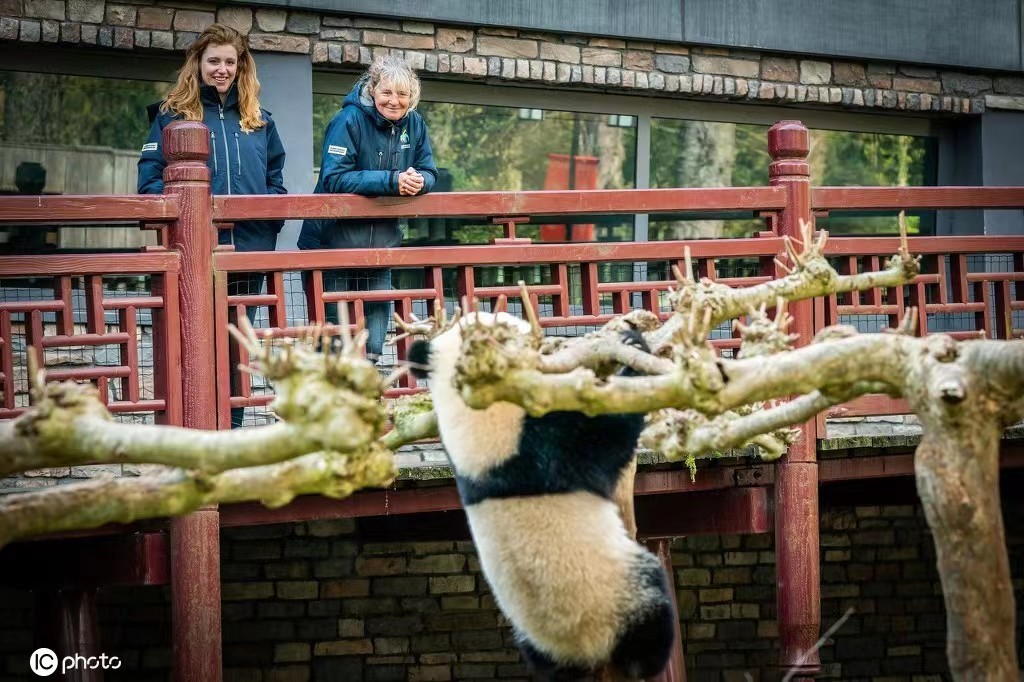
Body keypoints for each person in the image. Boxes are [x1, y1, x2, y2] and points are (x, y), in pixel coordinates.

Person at [138, 23, 287, 428]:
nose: (221, 69)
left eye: (229, 62)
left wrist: (268, 217)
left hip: (247, 253)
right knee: (195, 341)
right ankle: (194, 430)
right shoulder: (172, 116)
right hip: (194, 252)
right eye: (213, 61)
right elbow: (149, 181)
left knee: (237, 343)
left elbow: (276, 181)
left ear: (241, 67)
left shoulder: (260, 121)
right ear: (198, 64)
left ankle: (233, 426)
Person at [298, 54, 437, 366]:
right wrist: (391, 181)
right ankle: (330, 409)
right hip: (332, 245)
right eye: (387, 92)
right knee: (336, 343)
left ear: (412, 96)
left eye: (402, 94)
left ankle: (363, 404)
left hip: (381, 245)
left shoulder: (415, 125)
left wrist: (419, 180)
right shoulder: (348, 120)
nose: (394, 101)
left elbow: (430, 169)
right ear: (373, 90)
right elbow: (334, 178)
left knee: (373, 343)